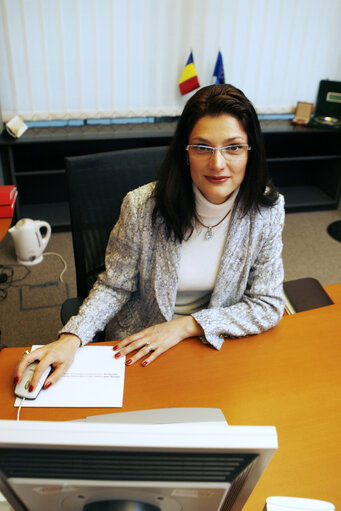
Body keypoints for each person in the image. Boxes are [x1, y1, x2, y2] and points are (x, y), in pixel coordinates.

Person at [15, 83, 285, 393]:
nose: (218, 164)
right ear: (185, 152)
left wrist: (188, 326)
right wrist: (71, 338)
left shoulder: (266, 210)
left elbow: (267, 303)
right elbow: (114, 285)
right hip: (140, 346)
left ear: (251, 151)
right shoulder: (142, 207)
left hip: (216, 342)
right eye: (202, 147)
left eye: (233, 147)